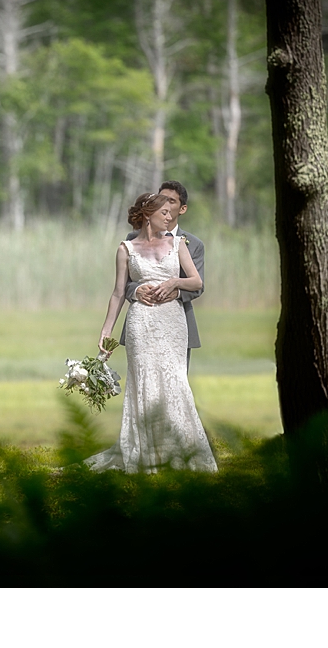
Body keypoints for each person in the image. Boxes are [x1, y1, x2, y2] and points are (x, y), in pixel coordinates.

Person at [85, 192, 217, 473]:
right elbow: (119, 292)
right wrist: (106, 332)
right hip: (140, 324)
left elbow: (196, 281)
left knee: (174, 382)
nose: (170, 218)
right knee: (144, 383)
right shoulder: (126, 249)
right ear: (148, 215)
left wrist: (174, 282)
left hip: (172, 322)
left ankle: (182, 448)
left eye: (171, 213)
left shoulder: (178, 244)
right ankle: (146, 452)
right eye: (164, 213)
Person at [120, 181, 204, 371]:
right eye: (162, 199)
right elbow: (124, 284)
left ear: (182, 209)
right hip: (142, 321)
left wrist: (175, 291)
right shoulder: (132, 239)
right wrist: (136, 291)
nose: (165, 205)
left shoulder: (193, 244)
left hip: (175, 321)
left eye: (171, 201)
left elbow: (198, 285)